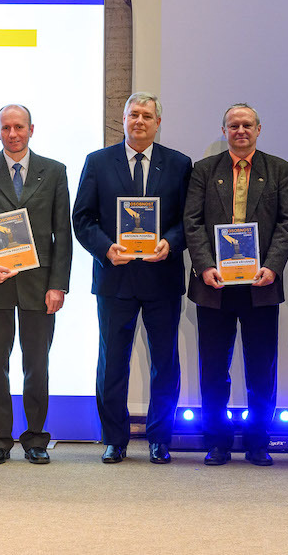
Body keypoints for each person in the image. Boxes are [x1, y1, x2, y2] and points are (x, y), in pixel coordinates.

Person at [72, 93, 193, 464]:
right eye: (133, 115)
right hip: (115, 277)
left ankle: (160, 438)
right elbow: (83, 218)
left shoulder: (179, 163)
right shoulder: (98, 161)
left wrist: (170, 243)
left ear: (158, 123)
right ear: (123, 120)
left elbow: (188, 219)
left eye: (146, 116)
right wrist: (106, 248)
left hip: (162, 277)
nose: (139, 121)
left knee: (165, 363)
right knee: (112, 363)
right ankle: (114, 439)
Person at [183, 103, 288, 466]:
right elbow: (192, 221)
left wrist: (272, 267)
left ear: (258, 129)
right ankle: (217, 442)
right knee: (213, 369)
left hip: (261, 284)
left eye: (247, 125)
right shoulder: (204, 170)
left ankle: (258, 442)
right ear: (224, 131)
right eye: (233, 125)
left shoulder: (279, 169)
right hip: (213, 285)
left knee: (261, 369)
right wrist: (204, 266)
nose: (241, 131)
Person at [0, 104, 72, 465]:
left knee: (36, 366)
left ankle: (36, 438)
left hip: (40, 286)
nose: (13, 133)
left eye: (19, 126)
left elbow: (63, 234)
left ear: (31, 129)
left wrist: (59, 285)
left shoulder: (54, 171)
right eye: (6, 127)